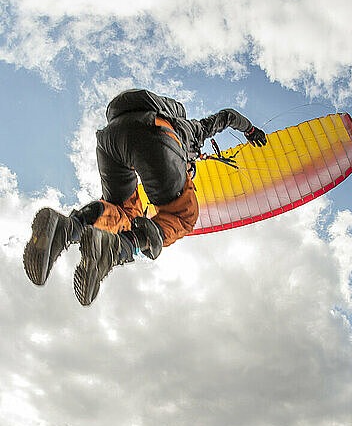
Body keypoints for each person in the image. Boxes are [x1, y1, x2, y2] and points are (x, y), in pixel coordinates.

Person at [23, 89, 266, 306]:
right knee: (183, 216)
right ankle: (119, 248)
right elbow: (229, 116)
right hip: (159, 135)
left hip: (110, 140)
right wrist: (251, 130)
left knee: (123, 211)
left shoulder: (154, 117)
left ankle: (67, 228)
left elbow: (229, 115)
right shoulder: (194, 130)